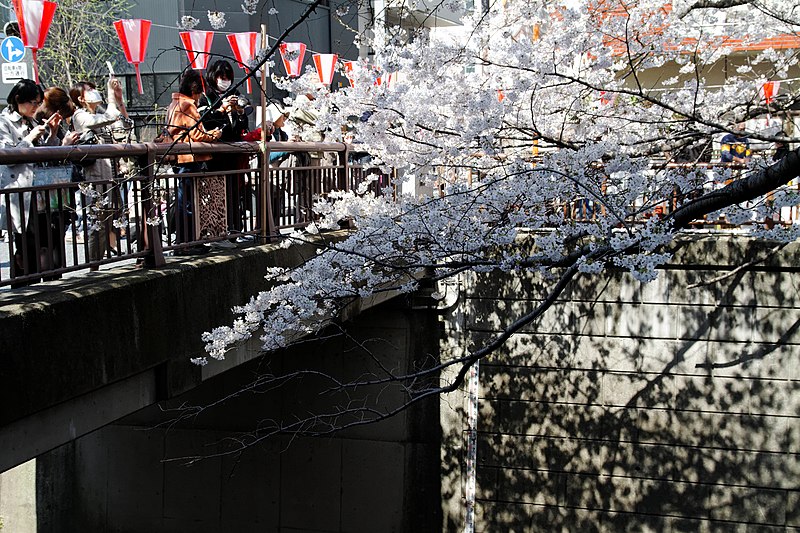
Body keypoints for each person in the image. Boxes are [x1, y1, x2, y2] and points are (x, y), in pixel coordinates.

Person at [0, 79, 71, 284]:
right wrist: (30, 137)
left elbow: (47, 154)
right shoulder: (5, 121)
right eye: (32, 102)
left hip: (43, 191)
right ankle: (24, 290)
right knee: (27, 246)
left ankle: (51, 285)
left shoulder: (32, 121)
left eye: (38, 102)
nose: (36, 107)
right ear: (17, 99)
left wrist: (54, 134)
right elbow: (8, 156)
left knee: (49, 240)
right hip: (22, 192)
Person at [69, 78, 129, 268]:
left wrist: (119, 101)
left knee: (110, 221)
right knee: (97, 224)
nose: (95, 92)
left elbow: (124, 126)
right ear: (81, 98)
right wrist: (111, 99)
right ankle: (93, 266)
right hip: (93, 177)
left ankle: (101, 261)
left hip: (110, 175)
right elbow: (108, 119)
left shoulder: (101, 113)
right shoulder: (79, 116)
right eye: (90, 90)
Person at [167, 69, 222, 254]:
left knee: (185, 200)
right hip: (189, 159)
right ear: (195, 90)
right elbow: (196, 134)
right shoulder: (187, 105)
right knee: (188, 202)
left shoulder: (174, 104)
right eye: (200, 92)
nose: (200, 96)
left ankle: (185, 242)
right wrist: (215, 134)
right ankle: (187, 243)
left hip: (180, 159)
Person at [199, 60, 252, 235]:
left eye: (228, 78)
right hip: (215, 157)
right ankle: (218, 231)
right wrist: (222, 109)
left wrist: (240, 112)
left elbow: (242, 126)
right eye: (221, 77)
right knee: (217, 196)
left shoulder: (235, 94)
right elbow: (204, 122)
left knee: (235, 194)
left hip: (234, 155)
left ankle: (236, 230)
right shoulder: (205, 96)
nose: (225, 81)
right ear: (213, 77)